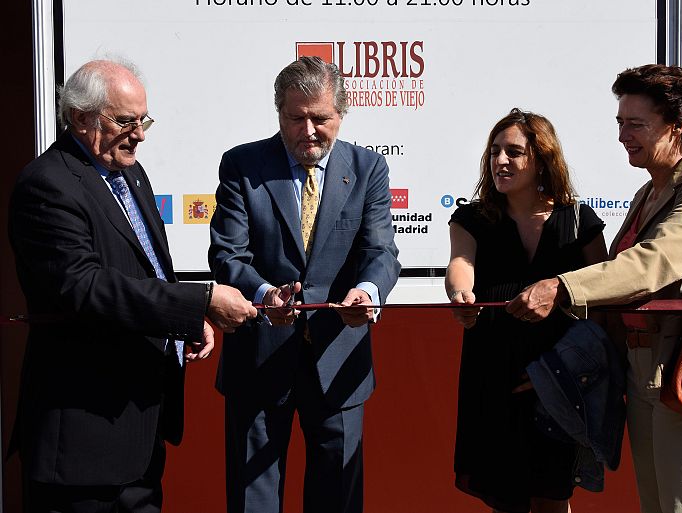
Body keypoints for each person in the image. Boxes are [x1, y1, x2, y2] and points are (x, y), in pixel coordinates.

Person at [7, 59, 257, 512]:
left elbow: (147, 271)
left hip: (138, 430)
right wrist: (199, 301)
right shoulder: (48, 185)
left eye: (144, 121)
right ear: (80, 118)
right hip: (82, 439)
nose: (139, 134)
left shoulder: (129, 174)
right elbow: (85, 287)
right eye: (125, 121)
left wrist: (183, 322)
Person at [511, 64, 682, 513]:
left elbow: (653, 264)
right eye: (620, 122)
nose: (622, 136)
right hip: (643, 373)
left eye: (636, 124)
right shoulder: (647, 194)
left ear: (677, 126)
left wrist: (561, 286)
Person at [208, 56, 401, 513]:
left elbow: (380, 251)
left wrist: (368, 293)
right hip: (259, 360)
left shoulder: (369, 168)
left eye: (321, 119)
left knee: (337, 499)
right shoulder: (242, 165)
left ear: (341, 114)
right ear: (279, 113)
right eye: (296, 118)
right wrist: (264, 295)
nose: (309, 131)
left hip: (339, 359)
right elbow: (227, 255)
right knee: (253, 501)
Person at [445, 108, 609, 513]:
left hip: (561, 377)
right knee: (505, 498)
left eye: (514, 152)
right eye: (494, 152)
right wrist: (461, 295)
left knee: (554, 496)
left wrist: (575, 372)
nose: (500, 161)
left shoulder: (579, 221)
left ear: (542, 159)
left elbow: (604, 295)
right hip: (494, 375)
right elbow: (461, 263)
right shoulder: (473, 217)